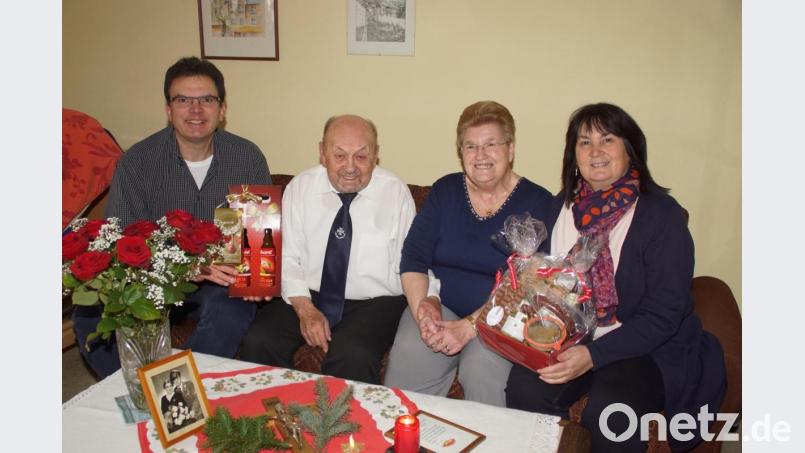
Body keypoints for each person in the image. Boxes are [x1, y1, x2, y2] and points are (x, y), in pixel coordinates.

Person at [505, 103, 726, 451]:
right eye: (584, 141)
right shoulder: (559, 207)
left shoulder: (661, 216)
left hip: (644, 347)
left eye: (607, 139)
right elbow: (546, 286)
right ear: (572, 153)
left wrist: (594, 355)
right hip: (571, 338)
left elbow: (666, 312)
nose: (595, 152)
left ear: (630, 149)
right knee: (525, 387)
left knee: (612, 410)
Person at [73, 56, 272, 378]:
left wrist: (256, 278)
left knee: (231, 308)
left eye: (206, 99)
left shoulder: (246, 157)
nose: (195, 110)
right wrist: (189, 267)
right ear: (169, 110)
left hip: (218, 281)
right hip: (153, 277)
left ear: (221, 110)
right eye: (183, 100)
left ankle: (178, 392)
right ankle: (128, 391)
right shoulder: (137, 162)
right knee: (89, 314)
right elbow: (121, 240)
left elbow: (257, 235)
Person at [383, 101, 554, 407]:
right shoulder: (445, 191)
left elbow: (530, 284)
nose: (481, 156)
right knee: (412, 351)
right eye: (471, 146)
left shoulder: (538, 203)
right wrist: (423, 309)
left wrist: (471, 326)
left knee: (481, 368)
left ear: (511, 149)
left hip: (503, 319)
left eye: (491, 144)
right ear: (460, 151)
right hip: (441, 306)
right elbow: (413, 259)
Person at [239, 115, 418, 384]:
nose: (350, 167)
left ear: (376, 155)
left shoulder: (395, 194)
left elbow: (411, 262)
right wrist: (305, 309)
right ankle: (272, 419)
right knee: (259, 339)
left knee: (352, 354)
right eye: (339, 155)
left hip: (376, 302)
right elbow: (287, 256)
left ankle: (346, 426)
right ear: (322, 153)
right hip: (309, 292)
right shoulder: (301, 187)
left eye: (361, 157)